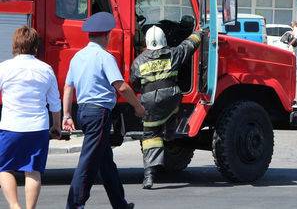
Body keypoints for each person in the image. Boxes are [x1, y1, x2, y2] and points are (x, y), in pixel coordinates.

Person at [62, 12, 145, 209]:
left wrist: (66, 115)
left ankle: (120, 204)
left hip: (83, 112)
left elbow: (68, 88)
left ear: (90, 35)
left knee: (105, 161)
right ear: (106, 36)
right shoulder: (104, 57)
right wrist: (138, 106)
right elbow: (121, 86)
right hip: (99, 113)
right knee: (88, 162)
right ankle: (74, 205)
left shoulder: (77, 57)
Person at [130, 25, 202, 189]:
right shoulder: (173, 54)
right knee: (174, 110)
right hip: (171, 99)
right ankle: (170, 132)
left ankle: (149, 176)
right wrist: (199, 32)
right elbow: (188, 45)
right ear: (164, 40)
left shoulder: (138, 61)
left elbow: (134, 84)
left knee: (149, 136)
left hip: (149, 103)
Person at [0, 26, 61, 209]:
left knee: (4, 168)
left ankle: (14, 206)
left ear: (15, 45)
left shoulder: (4, 68)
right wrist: (56, 126)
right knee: (33, 170)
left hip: (11, 127)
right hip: (38, 128)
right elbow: (54, 102)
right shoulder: (46, 69)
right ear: (36, 46)